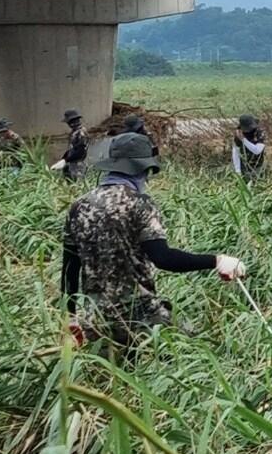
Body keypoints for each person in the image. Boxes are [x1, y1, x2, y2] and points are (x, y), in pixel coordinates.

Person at [61, 131, 247, 348]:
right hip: (141, 317)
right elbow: (163, 258)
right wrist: (217, 261)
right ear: (142, 169)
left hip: (96, 321)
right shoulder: (140, 204)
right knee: (202, 350)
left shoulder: (78, 206)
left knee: (112, 376)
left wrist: (71, 317)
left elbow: (69, 268)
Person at [54, 109, 89, 180]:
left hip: (77, 164)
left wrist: (65, 160)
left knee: (77, 184)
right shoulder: (74, 132)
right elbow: (72, 149)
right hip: (72, 164)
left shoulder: (81, 133)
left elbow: (80, 151)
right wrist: (64, 159)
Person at [232, 114, 267, 182]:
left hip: (258, 165)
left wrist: (243, 140)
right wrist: (238, 170)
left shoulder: (260, 132)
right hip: (243, 166)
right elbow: (236, 152)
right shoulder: (239, 133)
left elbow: (257, 151)